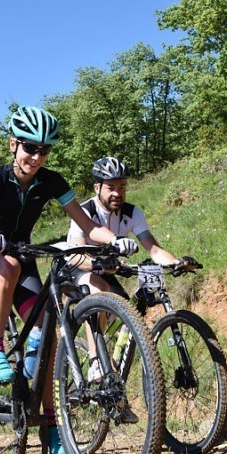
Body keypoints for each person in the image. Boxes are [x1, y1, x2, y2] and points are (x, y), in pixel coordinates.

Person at [0, 106, 138, 454]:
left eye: (44, 150)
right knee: (7, 264)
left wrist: (113, 241)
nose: (37, 157)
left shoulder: (52, 181)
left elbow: (87, 226)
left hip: (22, 260)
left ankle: (52, 424)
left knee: (48, 338)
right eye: (30, 148)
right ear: (13, 145)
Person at [67, 156, 197, 381]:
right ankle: (96, 361)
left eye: (122, 187)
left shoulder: (132, 213)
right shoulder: (85, 211)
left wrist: (175, 262)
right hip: (78, 269)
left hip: (108, 272)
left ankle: (114, 384)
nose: (118, 193)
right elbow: (77, 254)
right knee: (98, 289)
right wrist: (99, 263)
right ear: (97, 187)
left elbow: (153, 249)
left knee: (129, 316)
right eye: (111, 188)